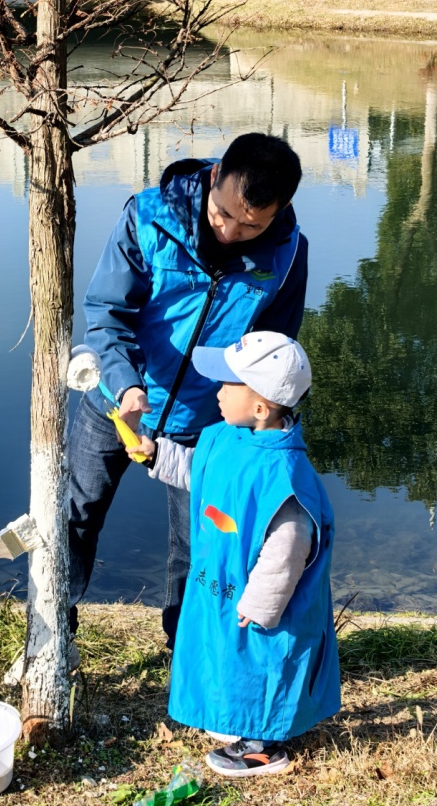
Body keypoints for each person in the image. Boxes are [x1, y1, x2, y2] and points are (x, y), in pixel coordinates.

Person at [68, 133, 308, 650]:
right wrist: (125, 384)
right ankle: (54, 628)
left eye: (252, 224)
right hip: (114, 404)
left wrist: (256, 427)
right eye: (224, 214)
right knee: (77, 518)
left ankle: (186, 648)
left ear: (280, 209)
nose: (231, 232)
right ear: (216, 174)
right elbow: (108, 315)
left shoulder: (287, 254)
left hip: (208, 422)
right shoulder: (149, 216)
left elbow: (275, 351)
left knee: (197, 544)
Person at [127, 332, 340, 778]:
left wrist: (261, 605)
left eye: (227, 385)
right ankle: (235, 721)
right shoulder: (226, 438)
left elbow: (288, 547)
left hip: (257, 604)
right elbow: (199, 473)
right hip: (221, 583)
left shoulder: (283, 474)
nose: (216, 392)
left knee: (260, 668)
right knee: (225, 657)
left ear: (261, 407)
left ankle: (262, 747)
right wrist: (155, 454)